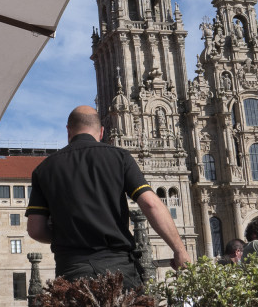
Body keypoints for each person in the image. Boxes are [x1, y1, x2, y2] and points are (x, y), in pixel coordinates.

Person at [26, 106, 191, 288]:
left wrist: (65, 234)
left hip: (72, 271)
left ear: (68, 130)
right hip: (117, 271)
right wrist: (179, 250)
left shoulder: (44, 169)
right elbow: (151, 204)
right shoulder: (120, 157)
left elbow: (35, 229)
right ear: (102, 132)